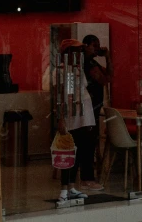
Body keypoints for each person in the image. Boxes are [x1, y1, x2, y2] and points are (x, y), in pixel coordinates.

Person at [56, 39, 104, 207]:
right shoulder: (65, 71)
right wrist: (61, 118)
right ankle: (64, 189)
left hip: (85, 115)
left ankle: (71, 187)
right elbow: (64, 96)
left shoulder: (77, 69)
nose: (80, 53)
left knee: (80, 150)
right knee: (69, 151)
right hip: (73, 116)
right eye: (77, 50)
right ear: (69, 52)